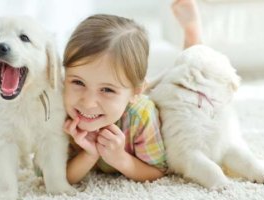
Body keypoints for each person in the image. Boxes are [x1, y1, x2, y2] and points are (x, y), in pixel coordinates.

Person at [62, 0, 202, 184]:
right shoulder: (60, 110)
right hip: (132, 91)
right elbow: (51, 177)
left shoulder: (141, 115)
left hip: (150, 100)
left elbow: (158, 171)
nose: (87, 103)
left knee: (189, 79)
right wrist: (89, 155)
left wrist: (120, 159)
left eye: (107, 89)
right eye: (78, 82)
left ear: (135, 93)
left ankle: (193, 37)